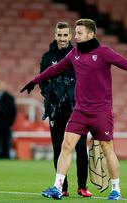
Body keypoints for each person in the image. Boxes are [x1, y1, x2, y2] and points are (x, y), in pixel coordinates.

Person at [20, 19, 127, 200]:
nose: (76, 36)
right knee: (66, 145)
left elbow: (126, 63)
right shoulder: (74, 54)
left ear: (91, 34)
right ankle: (57, 187)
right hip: (79, 111)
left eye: (79, 33)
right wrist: (34, 81)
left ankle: (116, 189)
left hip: (101, 112)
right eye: (76, 32)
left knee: (106, 148)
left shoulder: (103, 52)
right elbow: (54, 69)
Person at [38, 22, 91, 197]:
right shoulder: (47, 58)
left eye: (65, 35)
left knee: (81, 148)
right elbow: (42, 81)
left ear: (70, 36)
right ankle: (63, 186)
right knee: (59, 148)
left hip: (77, 110)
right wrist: (50, 97)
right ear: (55, 35)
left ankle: (82, 186)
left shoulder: (78, 55)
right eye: (59, 35)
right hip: (56, 110)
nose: (62, 38)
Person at [0, 81, 17, 159]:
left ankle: (6, 156)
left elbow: (13, 112)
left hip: (5, 125)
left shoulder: (10, 98)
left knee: (5, 142)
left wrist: (9, 123)